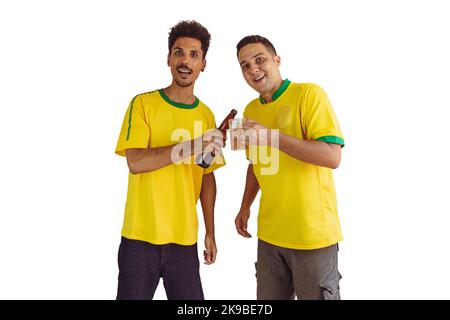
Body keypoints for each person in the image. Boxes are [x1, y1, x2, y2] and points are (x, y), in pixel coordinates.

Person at [114, 20, 225, 300]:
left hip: (184, 242)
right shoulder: (142, 105)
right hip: (139, 241)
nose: (185, 61)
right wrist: (192, 145)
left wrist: (210, 232)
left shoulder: (206, 116)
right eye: (179, 53)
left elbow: (207, 175)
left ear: (203, 64)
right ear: (168, 59)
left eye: (193, 55)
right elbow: (136, 162)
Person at [234, 35, 344, 300]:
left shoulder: (309, 94)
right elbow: (256, 163)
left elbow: (332, 157)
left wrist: (271, 136)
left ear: (277, 59)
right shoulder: (250, 110)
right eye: (245, 66)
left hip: (312, 236)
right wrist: (245, 206)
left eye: (259, 60)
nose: (253, 69)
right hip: (270, 236)